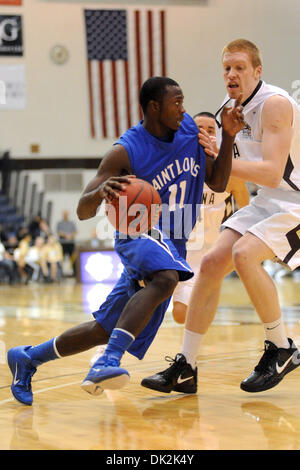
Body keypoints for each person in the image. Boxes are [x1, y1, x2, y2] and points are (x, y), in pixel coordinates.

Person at [7, 76, 244, 406]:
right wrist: (100, 192)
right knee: (167, 278)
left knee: (103, 328)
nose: (183, 108)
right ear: (154, 107)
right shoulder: (126, 150)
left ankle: (27, 358)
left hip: (172, 242)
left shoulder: (189, 130)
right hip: (138, 232)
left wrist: (229, 134)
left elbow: (218, 182)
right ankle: (107, 361)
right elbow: (82, 209)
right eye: (176, 103)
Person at [141, 39, 300, 395]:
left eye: (240, 67)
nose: (232, 74)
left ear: (257, 72)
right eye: (227, 68)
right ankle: (186, 367)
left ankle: (282, 347)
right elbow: (229, 174)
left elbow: (273, 173)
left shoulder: (273, 104)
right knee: (212, 263)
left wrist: (216, 152)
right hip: (270, 200)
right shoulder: (228, 110)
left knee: (244, 255)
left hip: (295, 201)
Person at [172, 112, 249, 323]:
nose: (205, 133)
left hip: (212, 252)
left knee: (189, 311)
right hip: (180, 251)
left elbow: (247, 208)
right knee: (178, 313)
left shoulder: (229, 172)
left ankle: (193, 349)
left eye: (211, 129)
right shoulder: (178, 167)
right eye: (200, 129)